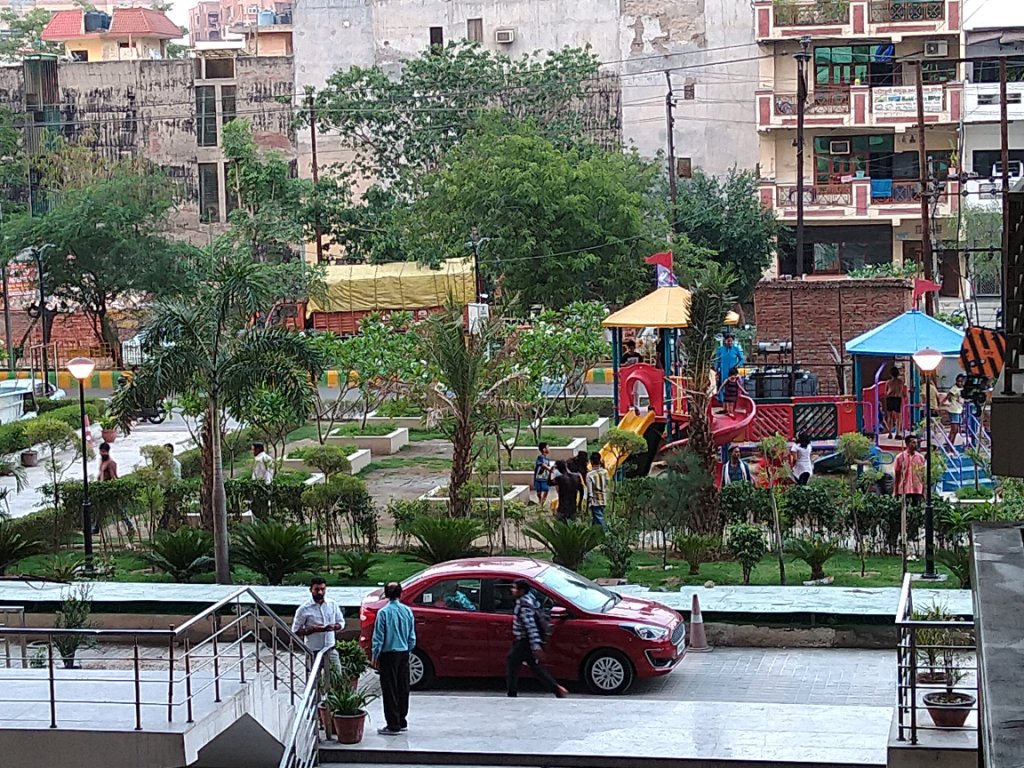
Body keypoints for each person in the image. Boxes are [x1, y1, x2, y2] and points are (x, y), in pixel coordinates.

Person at [506, 579, 567, 699]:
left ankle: (512, 693)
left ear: (522, 590)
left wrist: (536, 646)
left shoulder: (524, 606)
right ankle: (556, 688)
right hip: (524, 641)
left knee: (512, 664)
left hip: (523, 641)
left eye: (515, 588)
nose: (512, 590)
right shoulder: (529, 599)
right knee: (534, 666)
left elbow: (530, 626)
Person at [371, 581, 416, 736]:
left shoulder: (383, 613)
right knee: (403, 687)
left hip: (388, 654)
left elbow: (378, 637)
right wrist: (408, 649)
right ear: (400, 593)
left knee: (389, 689)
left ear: (386, 594)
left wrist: (375, 655)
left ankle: (393, 724)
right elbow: (412, 636)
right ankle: (402, 720)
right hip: (404, 653)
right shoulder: (407, 611)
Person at [292, 576, 344, 674]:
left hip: (330, 649)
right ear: (311, 590)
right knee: (314, 679)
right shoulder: (303, 609)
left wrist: (334, 627)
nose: (320, 592)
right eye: (316, 589)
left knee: (337, 678)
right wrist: (313, 629)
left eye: (322, 589)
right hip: (313, 651)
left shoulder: (332, 604)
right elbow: (295, 631)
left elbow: (341, 623)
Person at [98, 442, 135, 537]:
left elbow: (113, 477)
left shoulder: (111, 463)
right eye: (101, 451)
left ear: (107, 452)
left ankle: (130, 526)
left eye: (104, 452)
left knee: (120, 510)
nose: (102, 453)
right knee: (100, 509)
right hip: (103, 489)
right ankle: (96, 527)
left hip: (110, 490)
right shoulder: (102, 461)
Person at [893, 435, 926, 506]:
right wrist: (895, 491)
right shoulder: (900, 457)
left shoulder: (921, 458)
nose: (916, 444)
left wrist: (923, 491)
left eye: (916, 442)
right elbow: (897, 475)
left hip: (917, 489)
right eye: (913, 442)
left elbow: (923, 475)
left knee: (916, 508)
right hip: (904, 489)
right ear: (907, 444)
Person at [586, 452, 609, 528]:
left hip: (595, 500)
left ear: (591, 462)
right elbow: (607, 483)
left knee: (599, 519)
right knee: (596, 519)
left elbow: (590, 491)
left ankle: (605, 532)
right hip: (603, 498)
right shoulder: (605, 472)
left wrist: (589, 501)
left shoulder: (589, 475)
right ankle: (594, 532)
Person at [884, 367, 905, 439]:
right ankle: (897, 433)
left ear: (890, 374)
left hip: (889, 398)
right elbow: (902, 391)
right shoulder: (900, 382)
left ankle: (890, 433)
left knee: (889, 416)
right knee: (898, 417)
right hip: (897, 398)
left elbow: (885, 392)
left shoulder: (888, 382)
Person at [946, 374, 965, 445]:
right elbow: (948, 396)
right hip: (954, 410)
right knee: (954, 430)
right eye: (958, 381)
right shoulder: (954, 388)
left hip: (959, 410)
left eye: (961, 381)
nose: (960, 383)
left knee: (956, 430)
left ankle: (950, 444)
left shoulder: (962, 389)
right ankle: (949, 446)